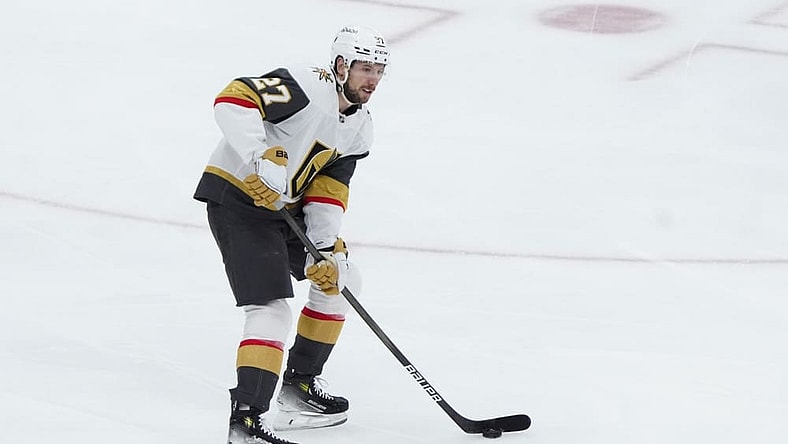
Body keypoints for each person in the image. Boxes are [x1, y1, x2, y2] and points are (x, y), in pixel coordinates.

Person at [193, 25, 389, 444]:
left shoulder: (359, 127)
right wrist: (259, 157)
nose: (372, 79)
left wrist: (325, 249)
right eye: (365, 68)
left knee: (342, 280)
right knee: (271, 308)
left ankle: (299, 386)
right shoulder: (307, 85)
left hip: (287, 209)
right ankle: (246, 418)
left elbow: (328, 190)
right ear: (341, 66)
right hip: (238, 201)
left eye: (379, 70)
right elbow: (234, 98)